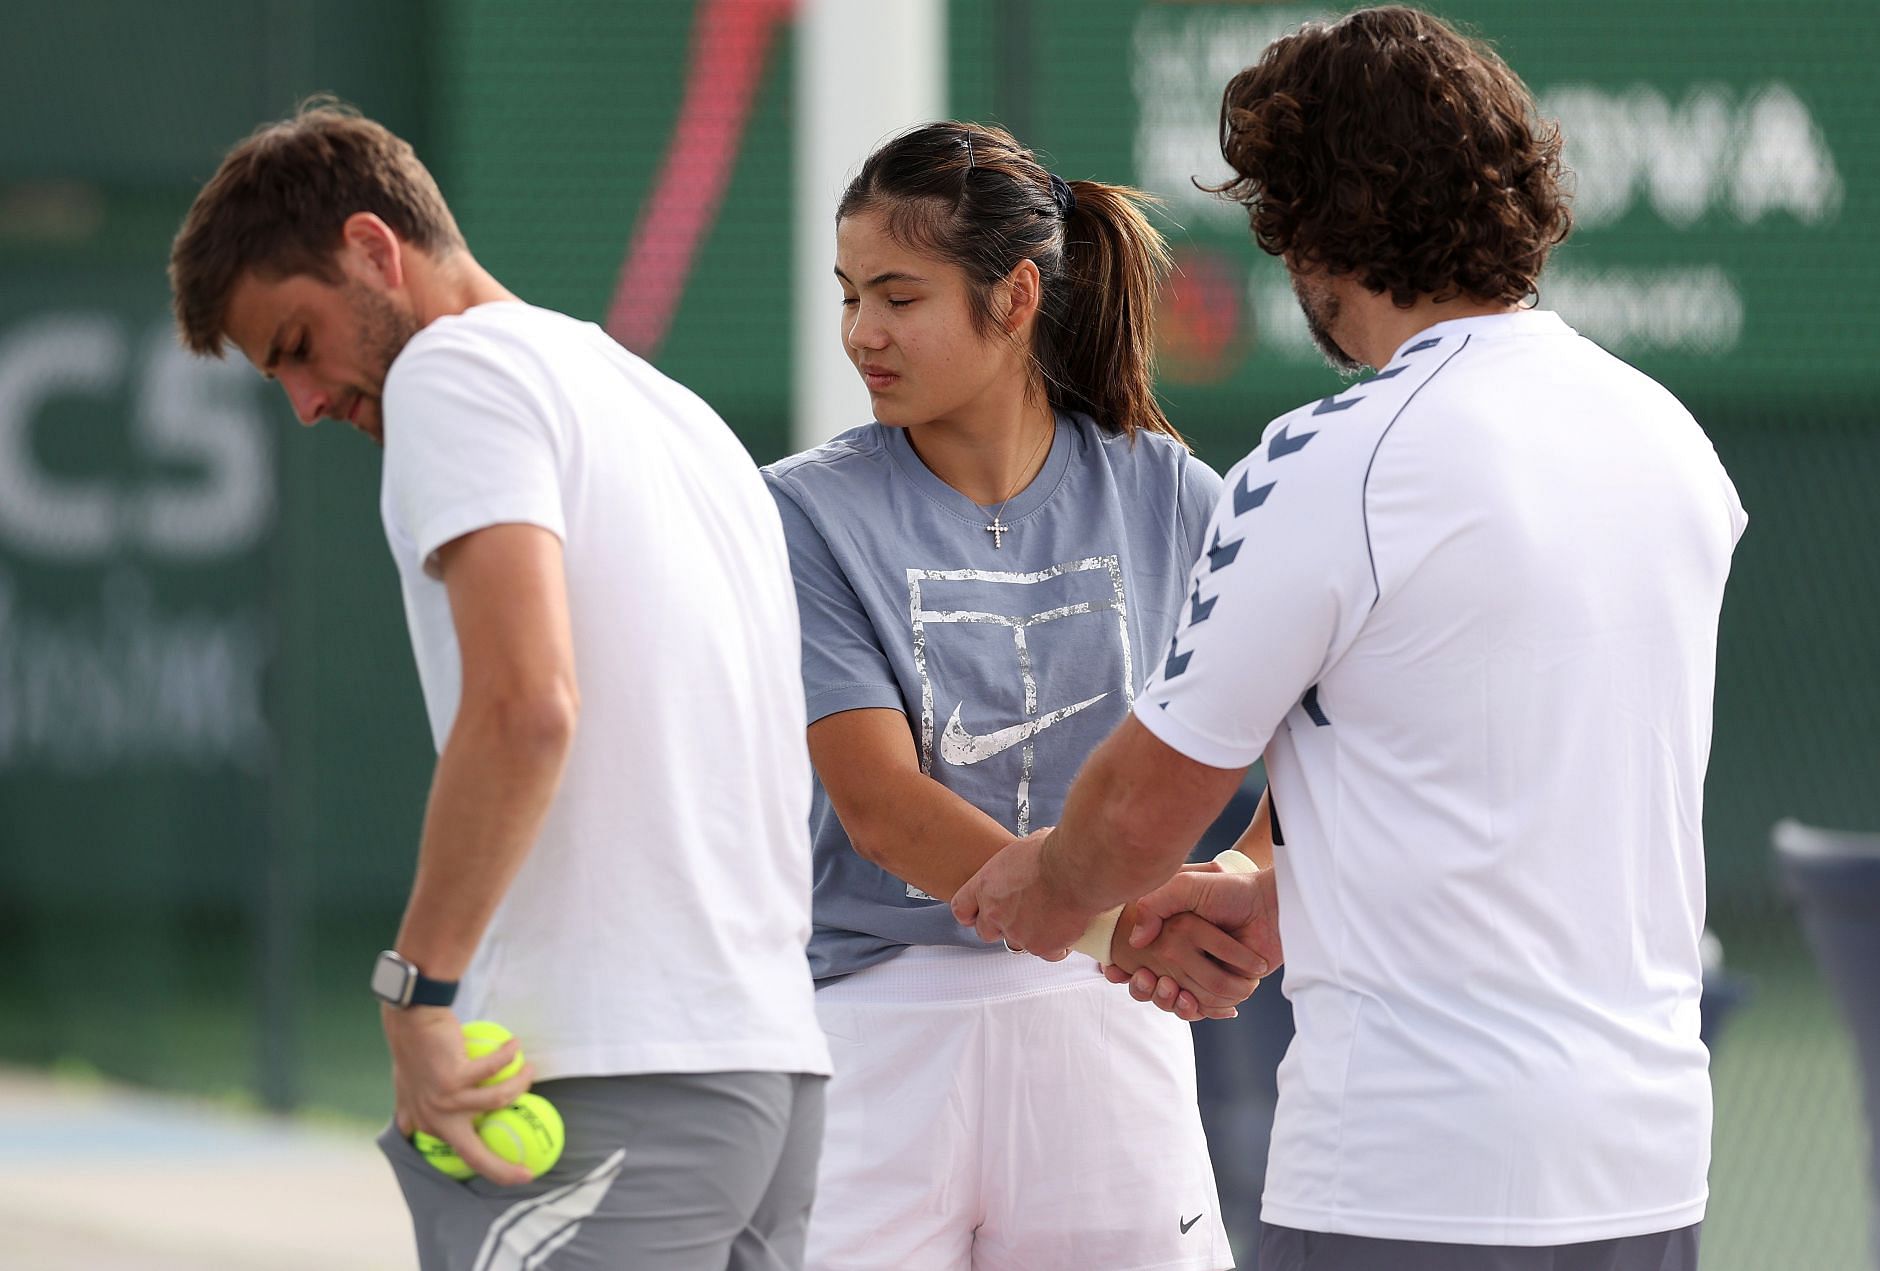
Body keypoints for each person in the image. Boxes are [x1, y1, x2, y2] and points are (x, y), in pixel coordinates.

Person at [955, 9, 1745, 1271]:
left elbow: (1144, 810)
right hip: (1646, 1164)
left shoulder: (1334, 455)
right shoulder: (1668, 442)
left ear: (1310, 229)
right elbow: (1485, 768)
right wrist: (1271, 901)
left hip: (1411, 1180)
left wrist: (1045, 889)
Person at [169, 101, 831, 1269]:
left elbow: (527, 705)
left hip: (604, 1085)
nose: (307, 401)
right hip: (768, 1082)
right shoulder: (675, 411)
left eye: (297, 343)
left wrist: (416, 988)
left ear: (376, 251)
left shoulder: (452, 370)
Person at [763, 121, 1269, 1270]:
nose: (861, 333)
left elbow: (1314, 749)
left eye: (898, 295)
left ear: (1015, 296)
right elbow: (883, 807)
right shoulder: (799, 512)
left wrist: (1244, 889)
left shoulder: (1176, 496)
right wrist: (1124, 924)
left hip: (1113, 1022)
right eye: (849, 295)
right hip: (876, 1030)